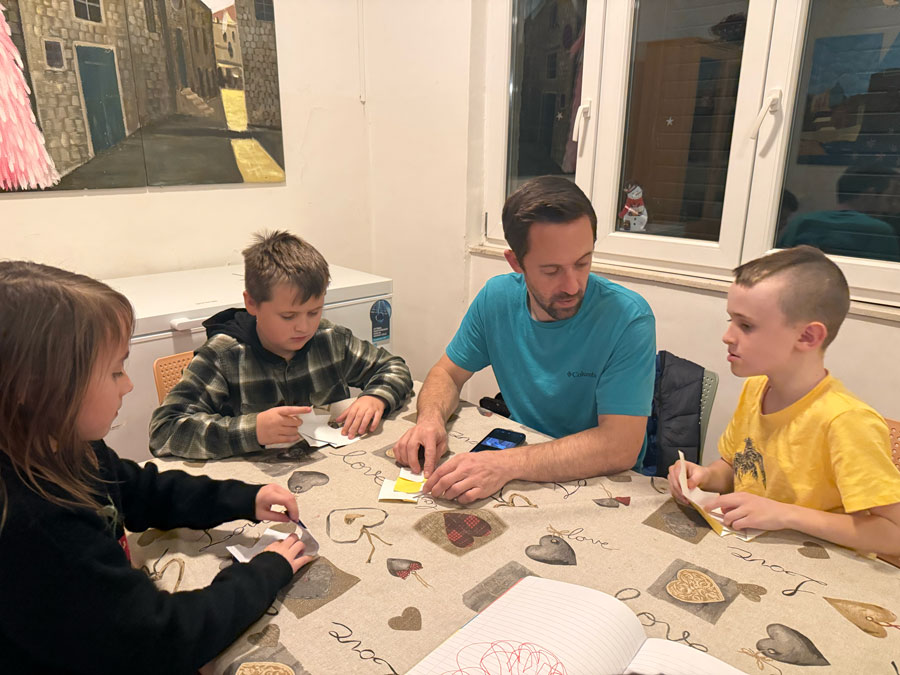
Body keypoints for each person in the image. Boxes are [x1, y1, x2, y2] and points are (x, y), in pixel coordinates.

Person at [0, 261, 314, 672]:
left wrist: (244, 497)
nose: (128, 385)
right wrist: (263, 573)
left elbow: (139, 489)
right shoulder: (37, 522)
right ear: (34, 388)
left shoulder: (64, 445)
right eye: (115, 370)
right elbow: (162, 638)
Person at [393, 176, 656, 503]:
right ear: (516, 263)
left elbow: (619, 448)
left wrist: (503, 465)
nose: (573, 285)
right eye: (551, 270)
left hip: (600, 482)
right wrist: (430, 420)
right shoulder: (497, 298)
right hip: (523, 468)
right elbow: (447, 373)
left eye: (582, 262)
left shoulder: (628, 318)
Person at [668, 246, 900, 556]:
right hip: (754, 555)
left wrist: (785, 514)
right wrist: (706, 476)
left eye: (745, 325)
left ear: (807, 337)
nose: (727, 336)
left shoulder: (846, 421)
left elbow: (894, 534)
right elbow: (734, 466)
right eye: (730, 320)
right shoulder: (755, 388)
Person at [150, 231, 413, 459]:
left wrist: (376, 397)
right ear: (252, 303)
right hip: (259, 491)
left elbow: (393, 368)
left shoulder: (330, 338)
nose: (304, 327)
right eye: (288, 316)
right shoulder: (223, 357)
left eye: (314, 312)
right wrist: (252, 430)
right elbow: (164, 431)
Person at [776, 165, 900, 262]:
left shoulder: (801, 222)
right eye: (889, 199)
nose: (893, 207)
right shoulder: (879, 231)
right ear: (869, 195)